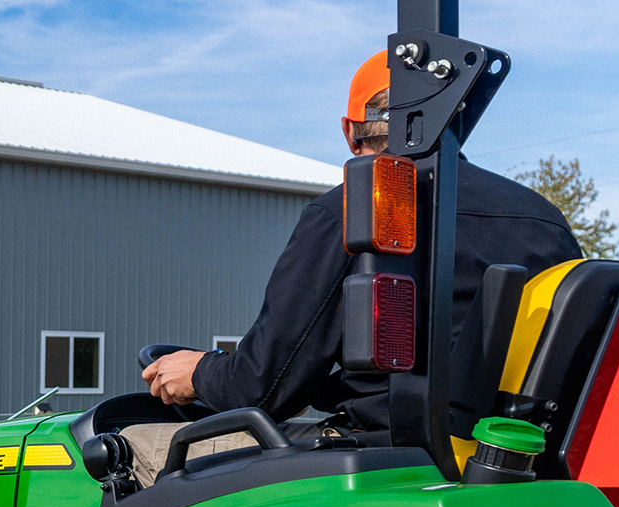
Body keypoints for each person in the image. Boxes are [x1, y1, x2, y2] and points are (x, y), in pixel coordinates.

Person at [141, 50, 585, 434]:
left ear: (349, 131)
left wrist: (198, 371)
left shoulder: (357, 209)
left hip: (393, 448)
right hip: (515, 455)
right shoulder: (544, 218)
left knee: (123, 455)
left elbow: (260, 387)